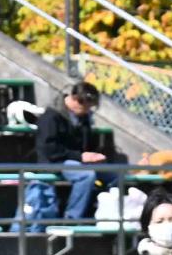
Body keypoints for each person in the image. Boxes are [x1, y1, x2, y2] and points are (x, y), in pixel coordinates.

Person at [33, 81, 115, 222]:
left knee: (115, 176)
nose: (88, 110)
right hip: (55, 161)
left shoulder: (83, 118)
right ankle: (72, 219)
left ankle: (110, 216)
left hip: (76, 159)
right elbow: (49, 149)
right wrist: (81, 156)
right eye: (87, 106)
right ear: (76, 100)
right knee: (86, 176)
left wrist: (94, 155)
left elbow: (86, 144)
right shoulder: (51, 116)